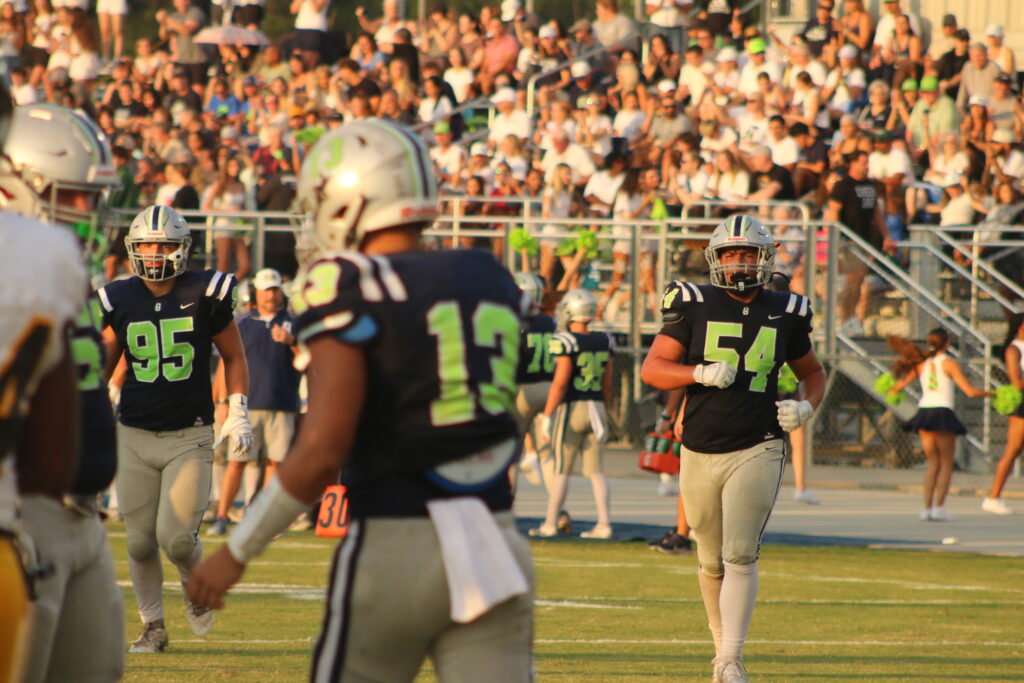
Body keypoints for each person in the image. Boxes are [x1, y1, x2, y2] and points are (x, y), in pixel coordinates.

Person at [187, 119, 534, 681]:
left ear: (351, 201)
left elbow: (323, 448)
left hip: (397, 543)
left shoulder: (346, 282)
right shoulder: (486, 274)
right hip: (495, 545)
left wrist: (237, 550)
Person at [640, 214, 827, 682]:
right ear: (715, 258)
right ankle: (719, 649)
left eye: (747, 253)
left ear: (764, 259)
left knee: (740, 553)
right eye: (730, 253)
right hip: (700, 445)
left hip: (758, 443)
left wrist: (806, 406)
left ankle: (731, 659)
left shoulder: (786, 309)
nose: (739, 262)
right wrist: (696, 372)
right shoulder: (694, 304)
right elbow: (653, 368)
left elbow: (812, 373)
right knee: (708, 558)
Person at [0, 102, 126, 683]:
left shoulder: (58, 268)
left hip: (83, 515)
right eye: (73, 196)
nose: (87, 214)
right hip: (26, 511)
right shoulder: (26, 266)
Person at [99, 205, 253, 653]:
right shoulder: (118, 297)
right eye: (146, 244)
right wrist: (92, 406)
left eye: (163, 244)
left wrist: (238, 409)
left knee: (178, 541)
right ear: (133, 248)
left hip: (189, 433)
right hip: (134, 433)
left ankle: (195, 584)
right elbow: (106, 360)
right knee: (139, 543)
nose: (154, 252)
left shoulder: (205, 291)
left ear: (182, 248)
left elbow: (234, 356)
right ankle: (153, 627)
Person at [208, 268, 300, 536]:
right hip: (246, 404)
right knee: (237, 462)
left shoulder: (293, 323)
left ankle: (264, 517)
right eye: (266, 290)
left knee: (275, 463)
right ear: (256, 293)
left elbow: (308, 360)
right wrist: (223, 401)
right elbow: (226, 363)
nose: (271, 295)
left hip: (282, 403)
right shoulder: (242, 323)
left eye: (274, 290)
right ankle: (222, 516)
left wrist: (292, 342)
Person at [530, 289, 615, 540]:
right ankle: (604, 524)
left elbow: (560, 383)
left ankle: (550, 523)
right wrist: (606, 409)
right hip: (596, 407)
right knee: (596, 471)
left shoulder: (565, 340)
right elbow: (607, 384)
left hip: (572, 408)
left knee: (561, 470)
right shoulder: (605, 339)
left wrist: (548, 415)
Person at [888, 329, 991, 521]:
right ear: (947, 343)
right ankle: (939, 508)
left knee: (933, 464)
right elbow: (969, 391)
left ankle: (926, 509)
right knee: (946, 464)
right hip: (942, 413)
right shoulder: (949, 363)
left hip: (924, 413)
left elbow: (897, 387)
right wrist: (994, 393)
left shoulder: (922, 363)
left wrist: (891, 388)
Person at [826, 150, 895, 337]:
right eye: (863, 163)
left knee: (858, 280)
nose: (866, 166)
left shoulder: (870, 185)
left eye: (867, 163)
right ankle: (846, 318)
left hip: (865, 240)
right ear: (853, 164)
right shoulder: (843, 185)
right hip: (849, 240)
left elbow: (876, 212)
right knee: (853, 279)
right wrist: (836, 238)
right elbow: (834, 211)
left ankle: (850, 317)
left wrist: (886, 235)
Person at [513, 272, 557, 489]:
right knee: (547, 455)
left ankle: (506, 501)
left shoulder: (515, 323)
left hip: (522, 388)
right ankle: (558, 506)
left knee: (511, 455)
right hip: (548, 388)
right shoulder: (551, 322)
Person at [983, 313, 1024, 515]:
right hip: (1022, 401)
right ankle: (993, 497)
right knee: (1013, 449)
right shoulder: (1014, 349)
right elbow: (1016, 382)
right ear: (1019, 327)